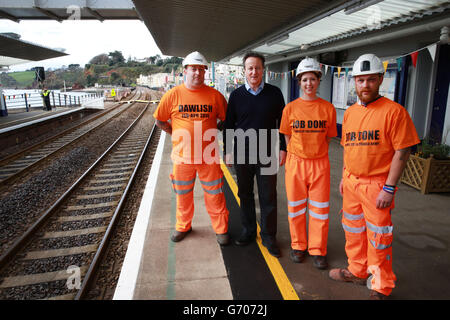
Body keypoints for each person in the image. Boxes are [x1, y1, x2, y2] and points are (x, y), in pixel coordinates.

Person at [328, 53, 420, 300]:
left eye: (370, 79)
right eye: (360, 80)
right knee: (353, 230)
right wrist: (344, 176)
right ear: (354, 82)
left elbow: (403, 150)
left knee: (379, 238)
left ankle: (380, 286)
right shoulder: (349, 114)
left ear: (380, 80)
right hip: (351, 182)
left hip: (377, 185)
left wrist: (389, 188)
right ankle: (357, 271)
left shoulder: (394, 112)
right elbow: (348, 147)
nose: (365, 85)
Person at [153, 51, 230, 246]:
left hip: (209, 157)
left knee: (215, 195)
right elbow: (160, 120)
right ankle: (182, 226)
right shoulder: (172, 95)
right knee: (183, 195)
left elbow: (226, 119)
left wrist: (213, 131)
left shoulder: (215, 96)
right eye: (193, 69)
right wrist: (176, 134)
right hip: (182, 158)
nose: (197, 73)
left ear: (205, 72)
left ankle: (221, 229)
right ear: (185, 71)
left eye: (200, 69)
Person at [223, 52, 286, 257]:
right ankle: (248, 231)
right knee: (245, 194)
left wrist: (283, 148)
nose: (254, 72)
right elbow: (229, 126)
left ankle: (269, 237)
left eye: (257, 68)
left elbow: (283, 125)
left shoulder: (275, 94)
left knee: (268, 196)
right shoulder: (236, 95)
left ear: (263, 70)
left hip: (267, 152)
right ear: (244, 71)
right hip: (242, 151)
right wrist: (228, 152)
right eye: (250, 68)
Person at [279, 58, 337, 269]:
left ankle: (318, 249)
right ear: (299, 82)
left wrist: (314, 152)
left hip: (320, 163)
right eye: (305, 80)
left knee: (320, 210)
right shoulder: (290, 109)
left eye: (313, 79)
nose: (309, 83)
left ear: (318, 81)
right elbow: (287, 136)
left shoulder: (328, 109)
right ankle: (298, 245)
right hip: (295, 163)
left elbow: (328, 137)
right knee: (295, 208)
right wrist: (297, 153)